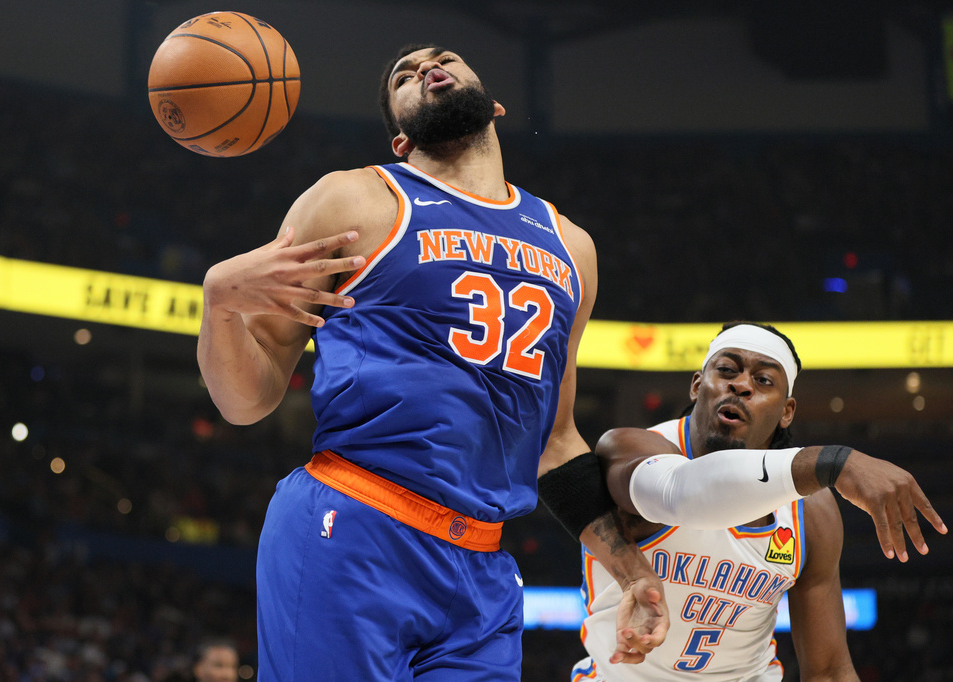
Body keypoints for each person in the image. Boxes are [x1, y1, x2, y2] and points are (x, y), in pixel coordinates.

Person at [197, 44, 665, 681]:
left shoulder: (571, 247)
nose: (425, 69)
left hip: (483, 566)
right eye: (404, 76)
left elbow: (555, 442)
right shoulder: (352, 201)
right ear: (399, 135)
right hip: (356, 524)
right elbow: (245, 401)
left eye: (442, 60)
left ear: (494, 104)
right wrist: (220, 303)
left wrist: (633, 572)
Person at [571, 321, 947, 681]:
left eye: (763, 380)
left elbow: (829, 671)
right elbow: (683, 493)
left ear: (786, 411)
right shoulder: (629, 448)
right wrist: (836, 462)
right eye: (727, 370)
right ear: (697, 385)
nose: (741, 386)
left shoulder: (810, 511)